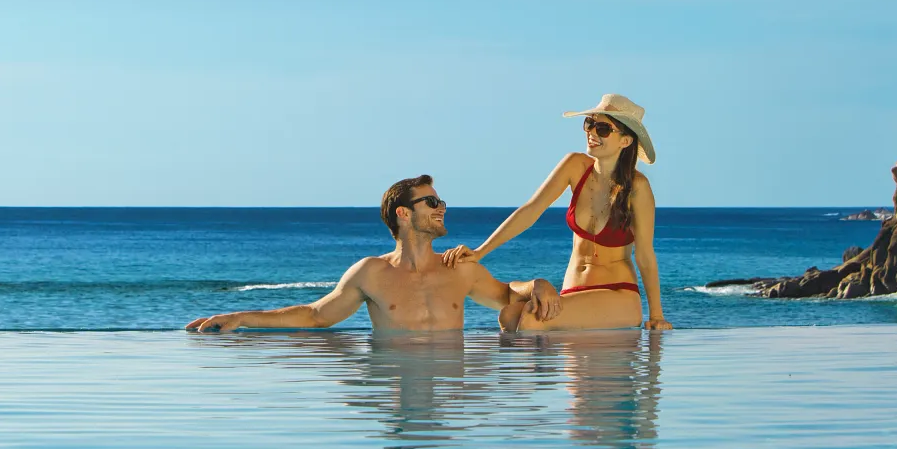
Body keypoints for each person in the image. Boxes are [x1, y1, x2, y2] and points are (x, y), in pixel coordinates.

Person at [185, 175, 563, 333]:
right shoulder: (371, 272)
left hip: (450, 393)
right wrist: (242, 317)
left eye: (441, 200)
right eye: (431, 201)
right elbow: (317, 315)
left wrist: (538, 284)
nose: (441, 207)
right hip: (392, 385)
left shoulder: (459, 269)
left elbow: (507, 297)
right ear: (404, 213)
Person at [444, 94, 672, 332]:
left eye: (603, 128)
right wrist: (480, 252)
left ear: (625, 141)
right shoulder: (575, 166)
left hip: (617, 294)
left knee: (530, 320)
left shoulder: (637, 187)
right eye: (589, 124)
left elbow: (645, 255)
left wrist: (656, 315)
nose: (592, 132)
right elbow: (530, 211)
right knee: (510, 316)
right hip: (572, 290)